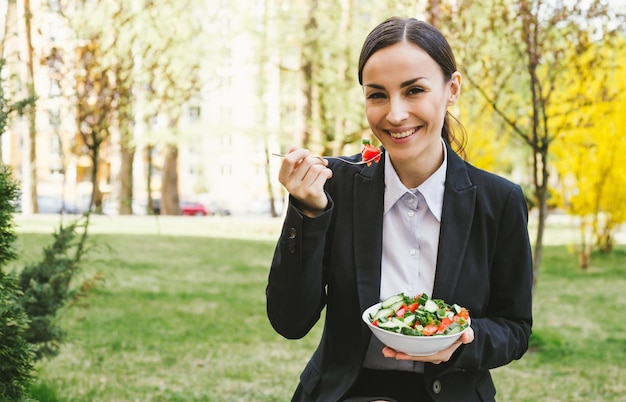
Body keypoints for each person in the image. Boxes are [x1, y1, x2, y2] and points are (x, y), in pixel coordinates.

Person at [266, 16, 533, 402]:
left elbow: (515, 328)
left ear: (451, 89)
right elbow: (290, 321)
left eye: (414, 90)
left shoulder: (499, 201)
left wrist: (464, 340)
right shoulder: (332, 186)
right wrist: (308, 214)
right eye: (377, 95)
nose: (394, 114)